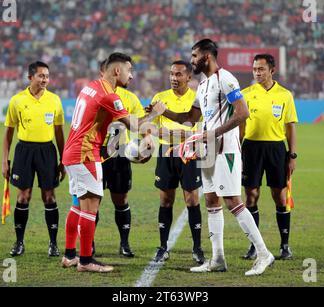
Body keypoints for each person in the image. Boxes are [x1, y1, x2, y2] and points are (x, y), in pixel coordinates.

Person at [150, 39, 274, 276]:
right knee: (211, 202)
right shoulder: (204, 85)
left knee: (232, 201)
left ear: (206, 56)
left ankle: (263, 253)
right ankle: (217, 259)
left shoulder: (225, 79)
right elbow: (190, 116)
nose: (192, 60)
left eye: (195, 56)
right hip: (207, 150)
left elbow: (243, 113)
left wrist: (212, 134)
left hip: (225, 149)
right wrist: (163, 111)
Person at [61, 52, 157, 273]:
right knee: (90, 206)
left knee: (77, 204)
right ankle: (85, 261)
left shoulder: (90, 86)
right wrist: (154, 115)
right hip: (86, 154)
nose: (131, 76)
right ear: (117, 70)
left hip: (72, 152)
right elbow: (135, 126)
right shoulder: (109, 95)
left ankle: (69, 255)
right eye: (129, 70)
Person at [2, 61, 65, 257]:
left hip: (47, 151)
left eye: (47, 76)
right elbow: (8, 133)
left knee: (49, 196)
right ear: (30, 77)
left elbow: (59, 132)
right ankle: (19, 242)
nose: (45, 79)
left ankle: (53, 244)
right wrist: (5, 160)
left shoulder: (54, 100)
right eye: (41, 76)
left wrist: (63, 159)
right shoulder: (17, 100)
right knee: (23, 196)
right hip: (24, 151)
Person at [240, 54, 298, 261]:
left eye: (261, 69)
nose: (257, 73)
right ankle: (254, 246)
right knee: (251, 196)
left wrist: (292, 155)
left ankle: (284, 246)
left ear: (272, 71)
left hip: (276, 149)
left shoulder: (285, 95)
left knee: (280, 197)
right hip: (251, 148)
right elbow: (241, 125)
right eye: (255, 69)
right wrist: (238, 150)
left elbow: (290, 126)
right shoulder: (245, 94)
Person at [150, 60, 205, 265]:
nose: (174, 78)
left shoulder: (197, 99)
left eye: (179, 74)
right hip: (165, 153)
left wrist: (181, 135)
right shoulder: (159, 98)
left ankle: (197, 248)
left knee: (192, 200)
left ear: (188, 77)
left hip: (189, 153)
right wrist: (160, 132)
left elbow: (200, 130)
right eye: (172, 74)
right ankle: (163, 247)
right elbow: (149, 125)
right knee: (166, 201)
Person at [99, 60, 146, 258]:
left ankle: (124, 244)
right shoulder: (97, 93)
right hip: (97, 152)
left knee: (121, 199)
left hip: (120, 153)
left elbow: (142, 125)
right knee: (92, 200)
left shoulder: (130, 98)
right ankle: (88, 245)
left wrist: (147, 144)